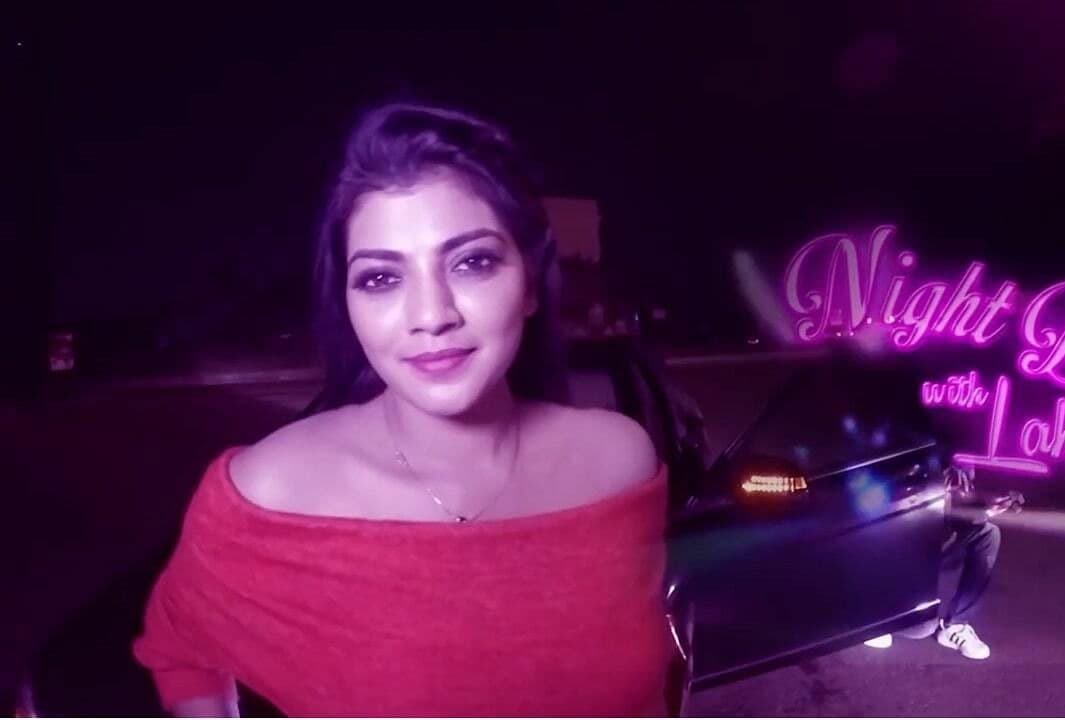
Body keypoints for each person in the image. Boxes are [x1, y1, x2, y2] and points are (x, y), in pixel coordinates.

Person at [132, 103, 676, 716]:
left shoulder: (618, 463)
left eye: (472, 262)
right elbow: (178, 648)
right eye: (381, 279)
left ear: (528, 284)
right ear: (347, 303)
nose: (431, 315)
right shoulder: (268, 492)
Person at [864, 467, 1015, 661]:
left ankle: (955, 625)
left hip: (924, 547)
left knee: (988, 534)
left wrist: (983, 506)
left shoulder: (958, 469)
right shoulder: (909, 470)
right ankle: (870, 620)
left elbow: (953, 518)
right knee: (921, 627)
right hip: (887, 550)